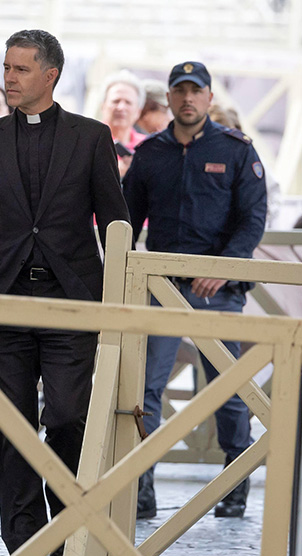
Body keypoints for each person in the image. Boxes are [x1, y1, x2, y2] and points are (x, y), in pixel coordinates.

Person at [0, 30, 129, 556]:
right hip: (2, 300)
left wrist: (119, 304)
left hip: (72, 301)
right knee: (13, 424)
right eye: (6, 67)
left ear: (50, 75)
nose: (10, 78)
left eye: (21, 69)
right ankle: (23, 547)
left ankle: (67, 537)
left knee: (69, 418)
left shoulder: (93, 138)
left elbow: (116, 226)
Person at [123, 61, 267, 520]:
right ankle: (141, 486)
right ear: (168, 98)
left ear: (208, 98)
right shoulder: (150, 153)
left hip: (218, 290)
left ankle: (236, 480)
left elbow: (253, 218)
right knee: (145, 388)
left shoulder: (237, 150)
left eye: (196, 91)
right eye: (179, 91)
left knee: (227, 388)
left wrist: (223, 267)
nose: (188, 99)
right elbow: (126, 219)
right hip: (160, 286)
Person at [99, 70, 147, 178]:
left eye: (128, 102)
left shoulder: (147, 146)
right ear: (103, 106)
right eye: (116, 101)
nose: (121, 108)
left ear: (138, 111)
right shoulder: (87, 141)